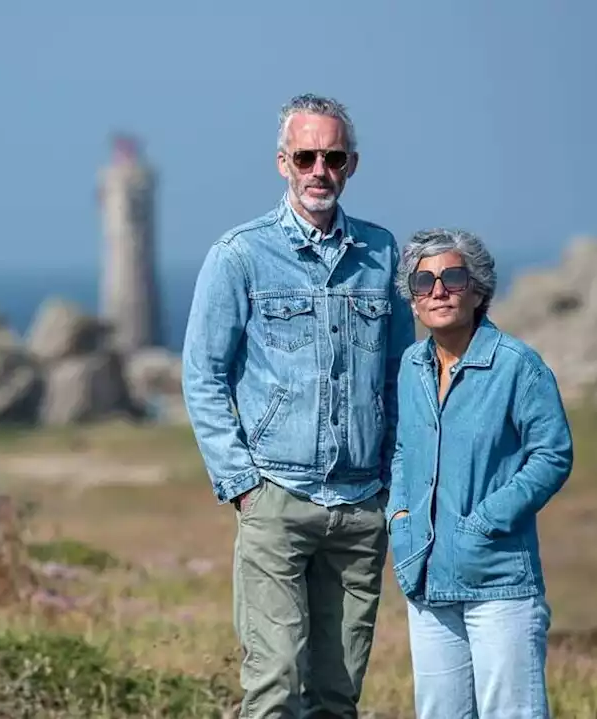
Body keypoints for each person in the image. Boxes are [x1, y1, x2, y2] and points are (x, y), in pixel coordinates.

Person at [181, 93, 415, 718]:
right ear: (282, 162)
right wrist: (242, 487)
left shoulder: (381, 254)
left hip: (360, 507)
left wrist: (390, 484)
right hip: (275, 498)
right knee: (275, 685)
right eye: (306, 156)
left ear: (352, 164)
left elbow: (398, 377)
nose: (320, 170)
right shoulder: (239, 255)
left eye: (333, 157)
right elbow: (202, 375)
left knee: (337, 699)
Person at [385, 228, 575, 718]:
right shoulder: (410, 366)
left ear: (478, 289)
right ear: (412, 300)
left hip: (499, 583)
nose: (439, 291)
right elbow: (403, 449)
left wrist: (484, 522)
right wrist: (401, 518)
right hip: (425, 579)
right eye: (423, 283)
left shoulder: (518, 366)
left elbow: (552, 455)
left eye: (452, 277)